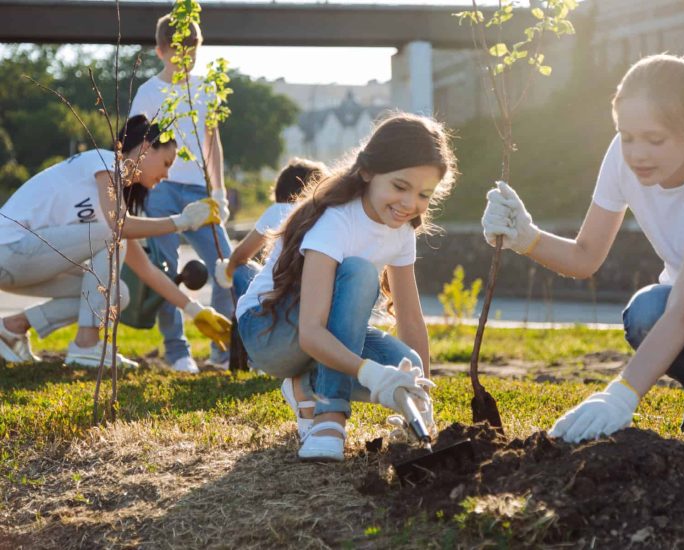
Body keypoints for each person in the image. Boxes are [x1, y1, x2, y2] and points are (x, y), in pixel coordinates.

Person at [480, 54, 684, 442]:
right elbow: (585, 256)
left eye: (654, 139)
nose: (637, 152)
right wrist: (527, 237)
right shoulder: (624, 159)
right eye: (627, 136)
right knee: (645, 311)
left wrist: (621, 393)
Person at [236, 113, 456, 461]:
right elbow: (311, 332)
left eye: (424, 194)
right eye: (400, 187)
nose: (410, 204)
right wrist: (371, 374)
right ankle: (329, 416)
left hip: (321, 333)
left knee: (406, 364)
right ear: (368, 172)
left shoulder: (401, 231)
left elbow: (411, 322)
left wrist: (420, 397)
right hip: (269, 331)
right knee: (359, 272)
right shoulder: (336, 220)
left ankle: (305, 385)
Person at [0, 115, 231, 368]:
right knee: (114, 236)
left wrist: (195, 311)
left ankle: (12, 328)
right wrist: (183, 221)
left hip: (25, 263)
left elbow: (147, 270)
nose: (166, 175)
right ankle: (86, 346)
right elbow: (119, 228)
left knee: (118, 292)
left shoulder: (111, 207)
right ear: (145, 148)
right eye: (166, 163)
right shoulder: (103, 161)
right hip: (8, 250)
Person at [129, 12, 233, 373]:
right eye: (177, 50)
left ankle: (222, 349)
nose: (185, 55)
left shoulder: (207, 87)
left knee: (225, 266)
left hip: (199, 191)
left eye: (192, 48)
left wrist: (218, 192)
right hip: (160, 189)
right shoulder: (148, 92)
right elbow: (135, 147)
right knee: (166, 269)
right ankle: (177, 351)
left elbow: (213, 141)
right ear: (160, 51)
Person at [213, 157, 327, 297]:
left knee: (239, 269)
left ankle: (231, 314)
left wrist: (226, 273)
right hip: (313, 295)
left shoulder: (279, 210)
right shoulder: (324, 214)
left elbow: (240, 255)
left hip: (276, 298)